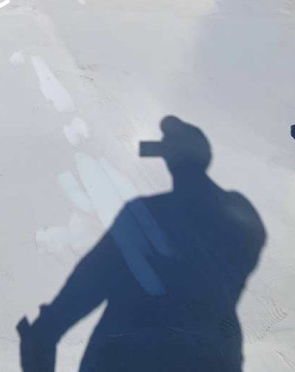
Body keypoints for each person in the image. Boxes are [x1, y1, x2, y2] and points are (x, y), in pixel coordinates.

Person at [17, 116, 266, 372]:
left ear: (170, 159)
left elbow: (87, 284)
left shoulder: (146, 215)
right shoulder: (242, 221)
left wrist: (45, 332)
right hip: (212, 358)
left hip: (130, 356)